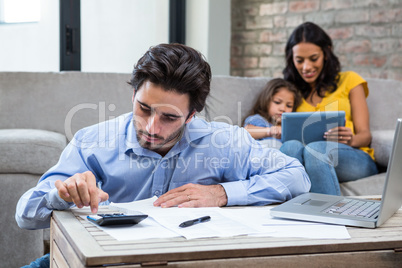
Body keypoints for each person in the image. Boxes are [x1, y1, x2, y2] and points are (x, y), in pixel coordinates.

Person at [16, 43, 310, 233]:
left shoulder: (225, 141)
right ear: (133, 94)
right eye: (144, 108)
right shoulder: (92, 142)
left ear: (192, 115)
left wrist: (221, 194)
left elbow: (297, 177)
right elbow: (25, 215)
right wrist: (61, 194)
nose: (152, 127)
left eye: (169, 117)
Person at [279, 22, 378, 195]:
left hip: (353, 157)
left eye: (313, 58)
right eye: (299, 60)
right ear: (291, 59)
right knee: (290, 148)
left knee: (316, 150)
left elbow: (365, 135)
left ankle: (331, 217)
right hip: (307, 157)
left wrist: (351, 140)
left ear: (326, 53)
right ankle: (292, 213)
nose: (306, 67)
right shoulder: (290, 92)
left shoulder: (350, 80)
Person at [243, 78, 301, 148]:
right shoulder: (259, 120)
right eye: (277, 102)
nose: (283, 109)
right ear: (266, 101)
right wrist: (270, 131)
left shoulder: (290, 126)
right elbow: (246, 132)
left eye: (289, 106)